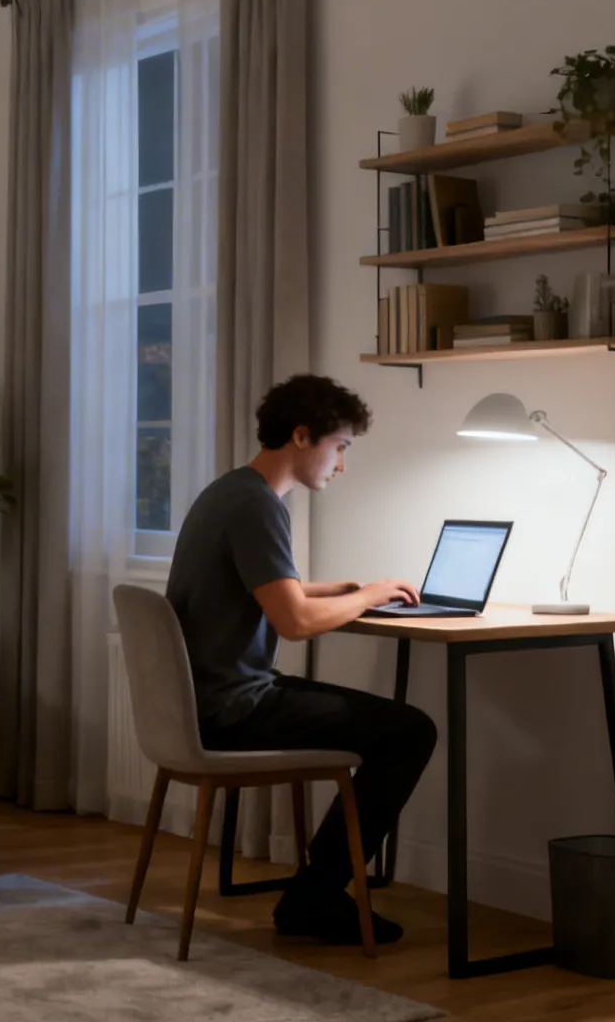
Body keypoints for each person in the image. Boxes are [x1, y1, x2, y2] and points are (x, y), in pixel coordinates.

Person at [165, 373, 437, 946]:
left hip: (205, 702)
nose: (340, 464)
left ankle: (317, 891)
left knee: (395, 726)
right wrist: (370, 594)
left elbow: (263, 589)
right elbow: (293, 623)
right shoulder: (258, 508)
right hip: (234, 709)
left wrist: (332, 588)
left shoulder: (228, 493)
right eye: (339, 447)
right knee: (410, 730)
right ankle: (315, 898)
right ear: (301, 436)